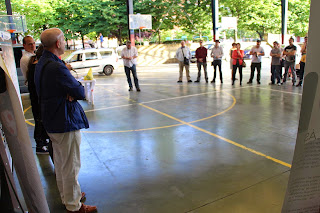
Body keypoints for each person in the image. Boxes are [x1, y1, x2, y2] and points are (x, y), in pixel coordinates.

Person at [35, 28, 97, 213]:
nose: (64, 41)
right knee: (71, 165)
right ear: (57, 43)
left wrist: (67, 91)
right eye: (63, 39)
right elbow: (79, 91)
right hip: (64, 120)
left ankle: (68, 196)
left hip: (52, 120)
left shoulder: (43, 62)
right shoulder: (56, 67)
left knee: (62, 163)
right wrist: (72, 90)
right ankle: (73, 206)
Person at [26, 44, 52, 155]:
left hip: (37, 99)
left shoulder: (34, 65)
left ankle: (41, 142)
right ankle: (40, 144)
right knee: (40, 121)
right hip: (38, 100)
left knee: (40, 121)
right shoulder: (37, 67)